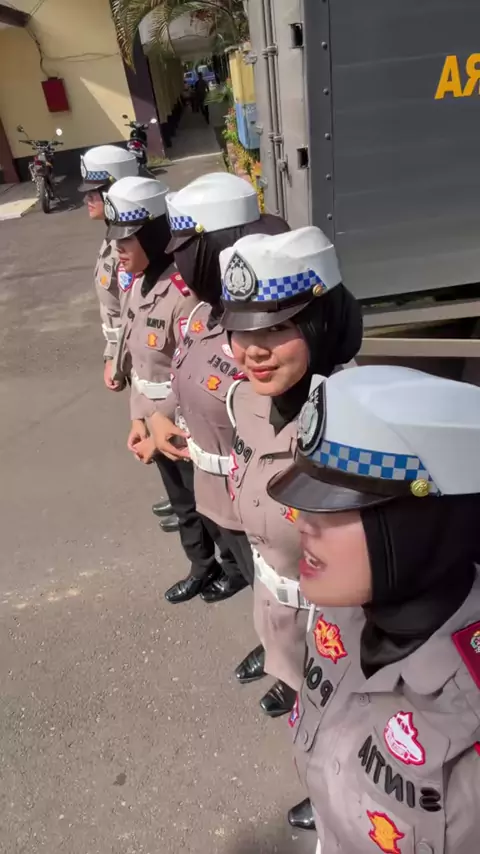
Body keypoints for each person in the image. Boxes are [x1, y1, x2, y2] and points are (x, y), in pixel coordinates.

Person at [267, 365, 480, 853]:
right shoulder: (343, 613)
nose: (301, 521)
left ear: (423, 523)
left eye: (337, 505)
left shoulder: (469, 711)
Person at [219, 226, 362, 828]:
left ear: (321, 323)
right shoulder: (244, 400)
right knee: (306, 714)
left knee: (347, 733)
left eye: (276, 328)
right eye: (241, 329)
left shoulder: (359, 428)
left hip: (342, 629)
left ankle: (338, 805)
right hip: (276, 602)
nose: (252, 350)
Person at [148, 172, 289, 608]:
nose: (179, 265)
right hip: (215, 494)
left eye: (186, 253)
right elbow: (184, 372)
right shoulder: (202, 315)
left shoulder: (267, 332)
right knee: (258, 589)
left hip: (262, 505)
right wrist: (160, 415)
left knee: (282, 594)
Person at [103, 176, 226, 588]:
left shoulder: (183, 293)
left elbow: (192, 370)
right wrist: (139, 419)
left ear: (154, 236)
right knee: (182, 502)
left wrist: (159, 427)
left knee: (208, 503)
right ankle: (202, 566)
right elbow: (140, 365)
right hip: (155, 417)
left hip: (182, 421)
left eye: (126, 240)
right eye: (115, 240)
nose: (117, 250)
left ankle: (232, 568)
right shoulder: (138, 284)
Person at [79, 146, 175, 528]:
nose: (88, 198)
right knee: (149, 421)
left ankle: (189, 506)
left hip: (146, 354)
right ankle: (180, 498)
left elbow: (134, 312)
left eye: (95, 190)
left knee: (164, 418)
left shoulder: (138, 245)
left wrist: (117, 359)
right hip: (131, 356)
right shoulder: (114, 241)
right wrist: (112, 356)